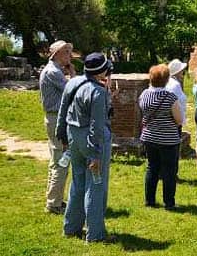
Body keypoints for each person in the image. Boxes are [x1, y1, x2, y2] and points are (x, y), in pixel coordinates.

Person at [56, 52, 113, 242]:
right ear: (101, 71)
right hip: (92, 142)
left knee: (78, 183)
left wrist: (62, 137)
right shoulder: (98, 92)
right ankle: (95, 234)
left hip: (74, 137)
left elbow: (63, 111)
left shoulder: (73, 82)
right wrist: (96, 154)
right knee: (96, 186)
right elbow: (96, 126)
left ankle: (71, 228)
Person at [138, 64, 183, 210]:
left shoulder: (144, 94)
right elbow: (179, 120)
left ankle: (149, 200)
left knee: (152, 167)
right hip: (168, 139)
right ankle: (169, 202)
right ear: (166, 79)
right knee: (169, 171)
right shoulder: (169, 97)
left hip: (149, 137)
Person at [40, 40, 76, 214]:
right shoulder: (53, 71)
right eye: (67, 52)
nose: (70, 56)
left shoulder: (54, 71)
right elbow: (74, 91)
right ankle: (54, 204)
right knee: (61, 160)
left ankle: (54, 199)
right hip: (56, 120)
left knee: (56, 160)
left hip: (54, 119)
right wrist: (73, 73)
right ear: (58, 54)